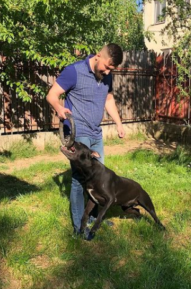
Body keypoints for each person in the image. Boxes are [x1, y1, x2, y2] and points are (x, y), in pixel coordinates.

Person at [46, 43, 125, 234]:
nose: (107, 72)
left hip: (96, 132)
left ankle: (93, 217)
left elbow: (108, 100)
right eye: (106, 67)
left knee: (100, 179)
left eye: (111, 69)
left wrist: (119, 122)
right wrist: (59, 109)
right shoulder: (74, 71)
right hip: (78, 132)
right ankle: (78, 227)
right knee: (78, 180)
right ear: (98, 56)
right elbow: (52, 95)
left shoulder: (107, 76)